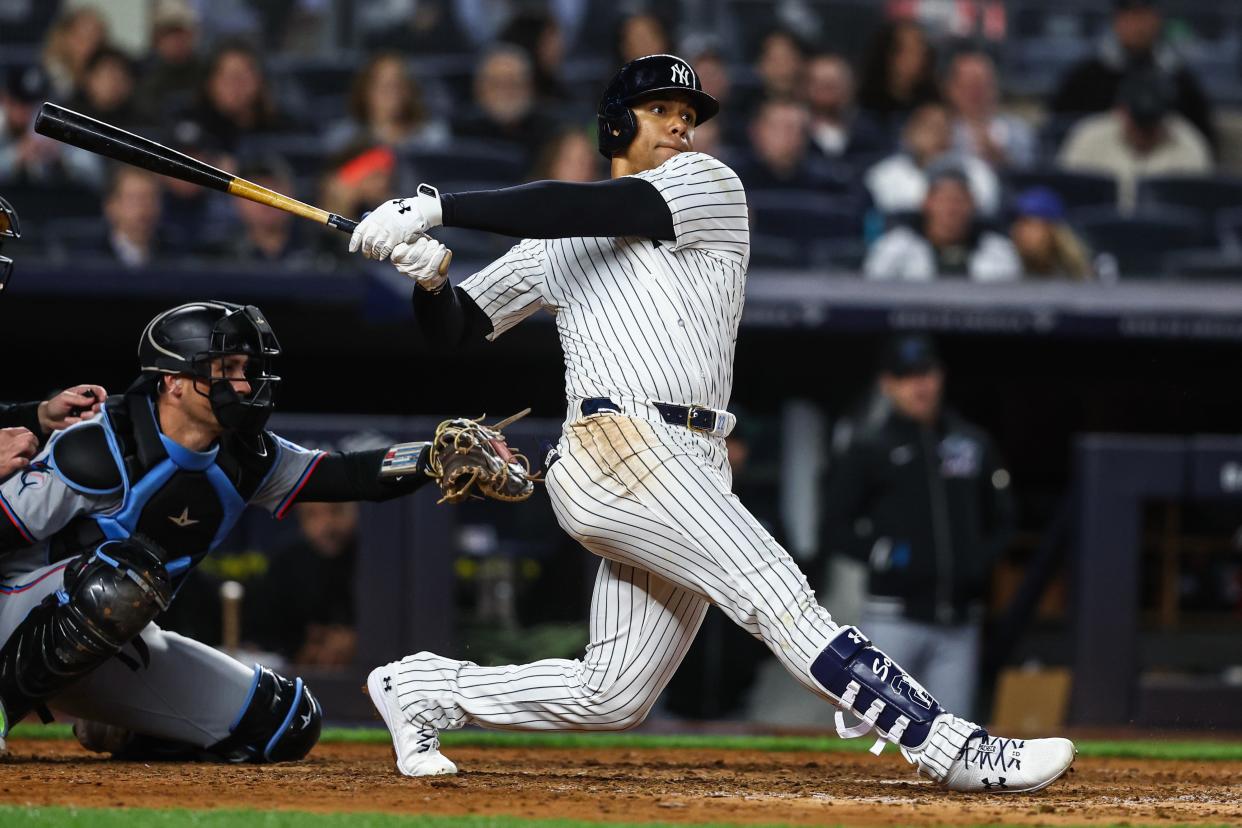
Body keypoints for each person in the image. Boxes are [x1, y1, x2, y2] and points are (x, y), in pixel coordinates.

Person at [348, 52, 1075, 792]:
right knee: (777, 593)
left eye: (687, 115)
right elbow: (456, 331)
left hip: (691, 458)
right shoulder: (553, 242)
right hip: (616, 448)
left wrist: (439, 208)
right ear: (615, 123)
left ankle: (424, 689)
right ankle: (947, 743)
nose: (679, 126)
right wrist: (432, 282)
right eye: (662, 110)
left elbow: (599, 207)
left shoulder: (706, 185)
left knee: (615, 693)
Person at [0, 300, 462, 759]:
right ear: (174, 382)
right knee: (126, 575)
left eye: (246, 368)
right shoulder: (98, 443)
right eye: (225, 368)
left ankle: (114, 726)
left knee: (286, 722)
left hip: (101, 643)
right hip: (14, 613)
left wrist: (434, 457)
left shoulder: (247, 457)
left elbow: (346, 475)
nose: (242, 384)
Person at [820, 335, 1014, 718]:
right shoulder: (869, 447)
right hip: (893, 616)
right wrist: (881, 554)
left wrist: (976, 560)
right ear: (887, 385)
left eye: (925, 373)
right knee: (880, 732)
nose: (919, 384)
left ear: (940, 376)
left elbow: (1005, 519)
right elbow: (833, 526)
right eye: (906, 376)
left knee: (953, 735)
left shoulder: (969, 443)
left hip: (960, 621)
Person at [1050, 0, 1215, 150]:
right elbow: (1057, 137)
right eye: (1130, 16)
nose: (1138, 26)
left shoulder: (1181, 80)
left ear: (1157, 20)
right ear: (1116, 21)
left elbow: (1203, 144)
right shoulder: (1084, 79)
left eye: (1144, 16)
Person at [1058, 68, 1212, 213]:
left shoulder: (1189, 144)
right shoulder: (1088, 137)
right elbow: (1065, 200)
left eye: (1151, 124)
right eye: (1138, 122)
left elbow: (1196, 213)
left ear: (1167, 117)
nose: (1142, 132)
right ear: (1120, 111)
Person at [246, 500, 360, 667]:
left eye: (336, 511)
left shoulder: (376, 562)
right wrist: (302, 648)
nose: (326, 524)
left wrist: (359, 641)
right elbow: (263, 636)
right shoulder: (285, 563)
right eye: (312, 514)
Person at [864, 166, 1020, 282]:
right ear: (926, 203)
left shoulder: (999, 250)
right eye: (943, 200)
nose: (951, 209)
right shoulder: (894, 247)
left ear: (973, 205)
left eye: (959, 201)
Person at [864, 103, 1001, 216]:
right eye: (928, 127)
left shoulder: (976, 170)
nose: (936, 134)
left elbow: (985, 208)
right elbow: (888, 210)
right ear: (909, 134)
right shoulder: (885, 173)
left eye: (942, 127)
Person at [325, 53, 449, 154]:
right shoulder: (343, 139)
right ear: (365, 91)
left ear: (410, 91)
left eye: (398, 84)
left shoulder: (432, 137)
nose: (391, 92)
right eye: (382, 85)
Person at [452, 45, 551, 164]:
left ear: (530, 87)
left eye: (514, 83)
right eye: (497, 83)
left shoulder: (553, 134)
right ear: (479, 89)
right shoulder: (458, 133)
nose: (506, 91)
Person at [944, 51, 1035, 171]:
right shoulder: (942, 132)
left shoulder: (1019, 131)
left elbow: (1029, 176)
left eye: (982, 85)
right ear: (952, 89)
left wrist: (1000, 159)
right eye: (969, 86)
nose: (976, 94)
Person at [856, 20, 941, 141]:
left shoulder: (932, 106)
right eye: (912, 51)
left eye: (923, 51)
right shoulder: (863, 115)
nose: (922, 58)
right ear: (890, 57)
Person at [803, 52, 890, 165]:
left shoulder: (870, 131)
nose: (825, 91)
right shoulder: (794, 131)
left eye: (832, 84)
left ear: (849, 86)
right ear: (805, 87)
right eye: (819, 83)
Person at [1010, 188, 1094, 280]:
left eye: (1029, 224)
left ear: (1052, 230)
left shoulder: (1081, 274)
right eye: (1018, 223)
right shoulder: (1006, 263)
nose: (1020, 231)